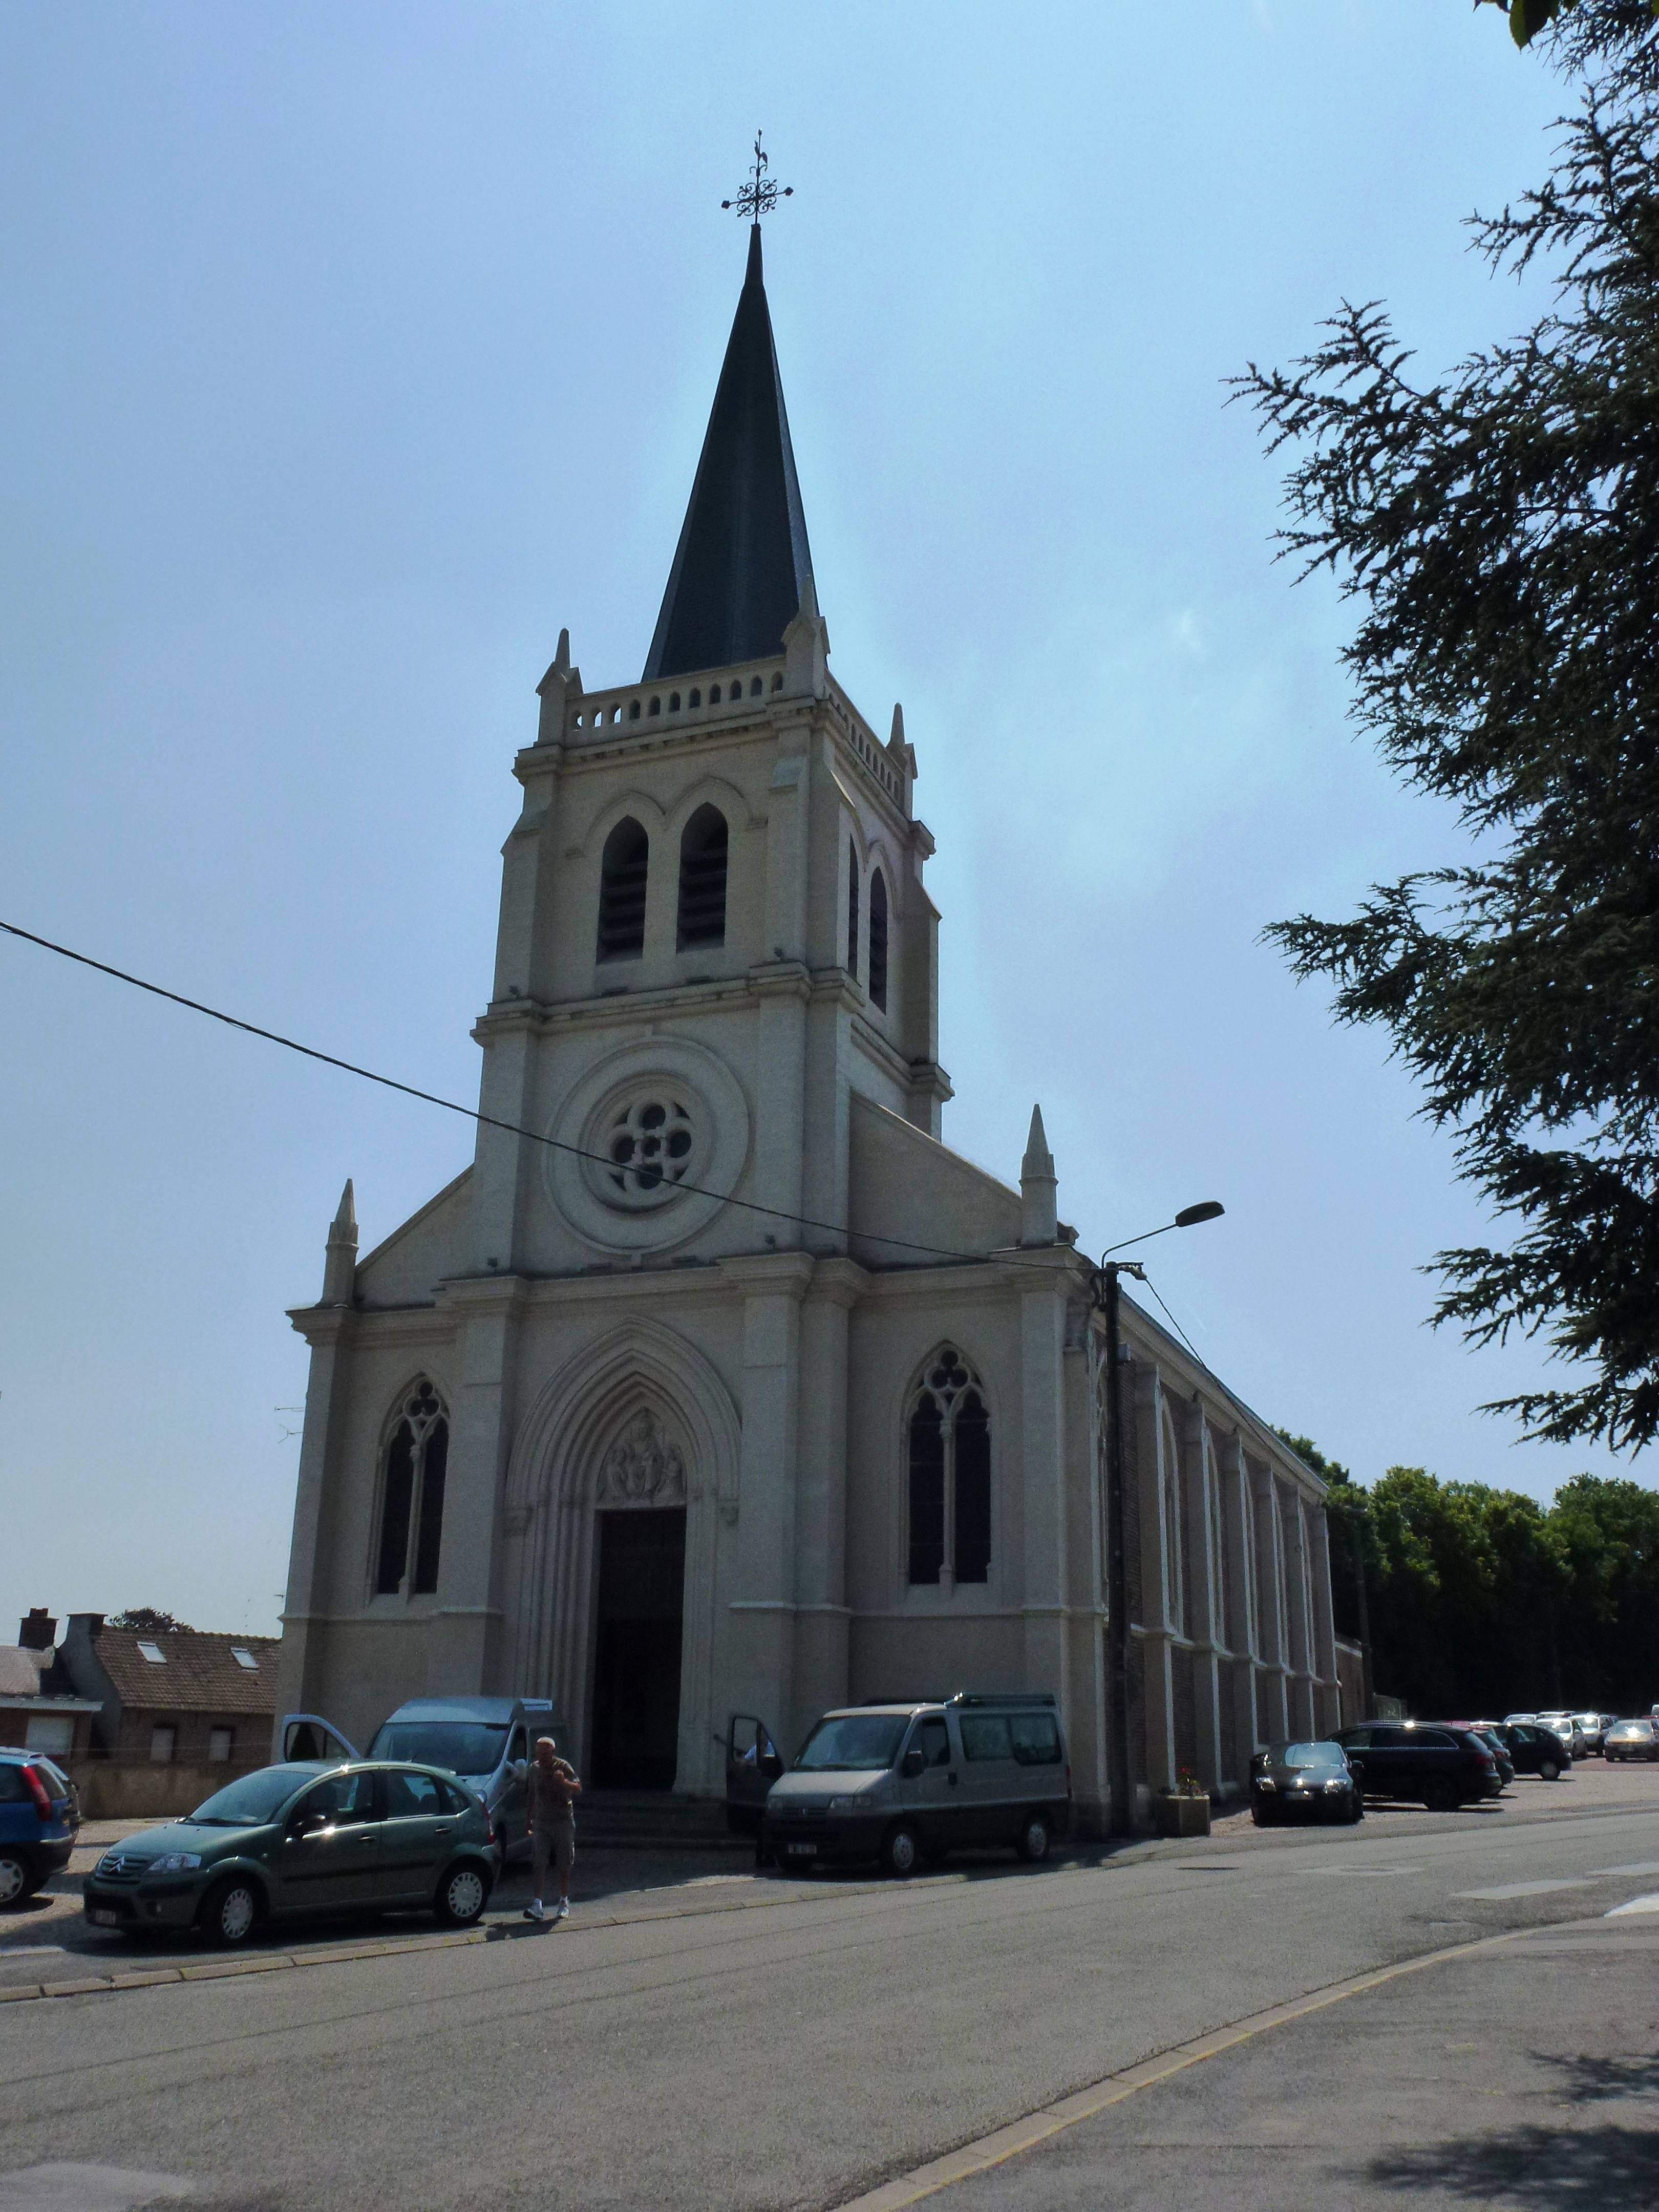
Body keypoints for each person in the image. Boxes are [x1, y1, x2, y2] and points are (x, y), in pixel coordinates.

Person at [523, 1734, 581, 1923]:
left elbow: (578, 1787)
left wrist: (564, 1782)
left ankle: (564, 1901)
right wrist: (528, 1818)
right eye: (539, 1754)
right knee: (539, 1861)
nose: (542, 1758)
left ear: (553, 1752)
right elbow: (532, 1794)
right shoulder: (534, 1769)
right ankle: (537, 1905)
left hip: (562, 1821)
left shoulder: (562, 1767)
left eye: (545, 1754)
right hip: (542, 1822)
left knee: (564, 1862)